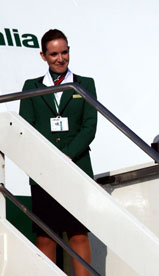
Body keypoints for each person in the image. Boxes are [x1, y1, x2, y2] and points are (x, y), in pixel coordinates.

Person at [19, 29, 97, 276]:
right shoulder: (31, 87)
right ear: (43, 56)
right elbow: (26, 127)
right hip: (43, 171)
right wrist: (50, 159)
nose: (60, 58)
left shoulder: (86, 84)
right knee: (46, 236)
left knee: (78, 234)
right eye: (54, 54)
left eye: (64, 52)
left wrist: (66, 156)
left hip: (77, 167)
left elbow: (89, 127)